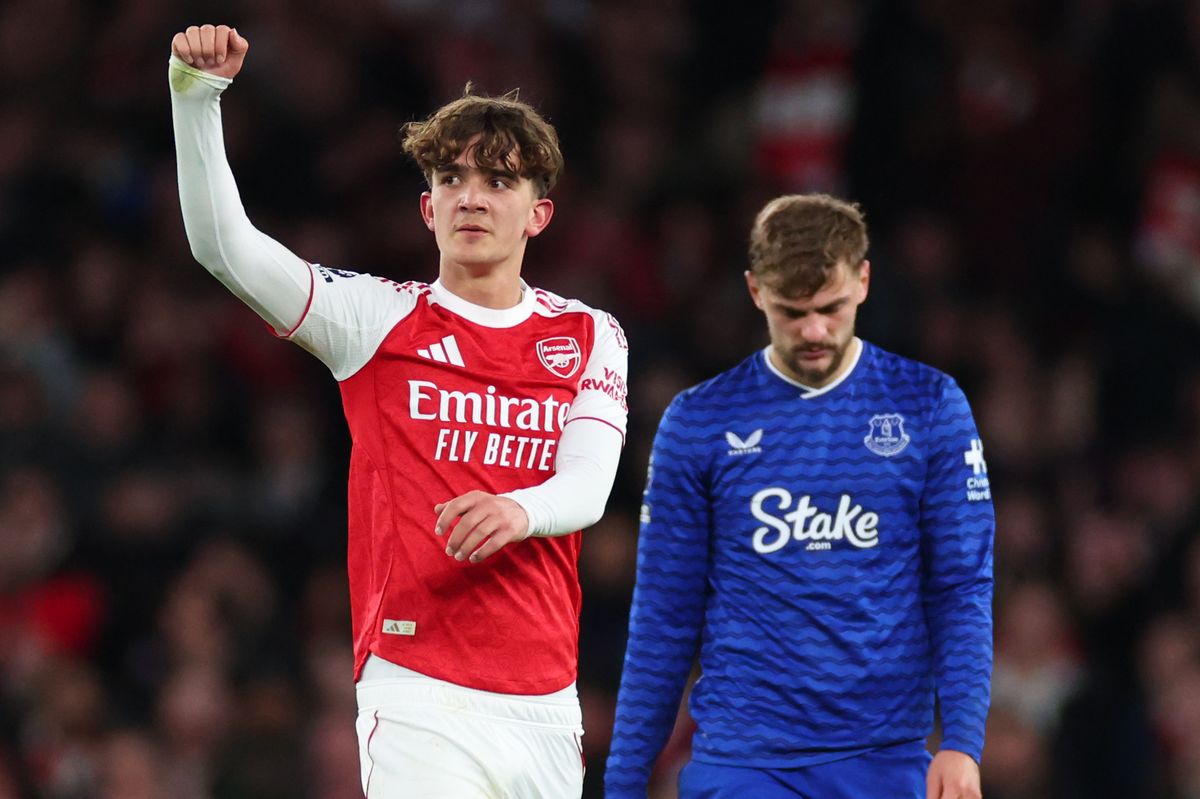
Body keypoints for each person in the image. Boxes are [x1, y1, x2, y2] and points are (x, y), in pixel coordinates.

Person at [168, 24, 628, 799]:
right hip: (419, 690)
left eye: (498, 181)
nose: (472, 196)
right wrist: (195, 96)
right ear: (427, 208)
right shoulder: (373, 320)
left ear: (537, 215)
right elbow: (225, 247)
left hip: (547, 699)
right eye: (452, 179)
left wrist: (519, 509)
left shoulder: (587, 333)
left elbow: (589, 484)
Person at [605, 194, 993, 799]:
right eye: (793, 312)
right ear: (756, 290)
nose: (814, 330)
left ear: (864, 280)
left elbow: (961, 585)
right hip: (745, 764)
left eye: (831, 308)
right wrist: (624, 785)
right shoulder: (699, 423)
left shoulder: (928, 407)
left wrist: (963, 742)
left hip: (886, 761)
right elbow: (663, 615)